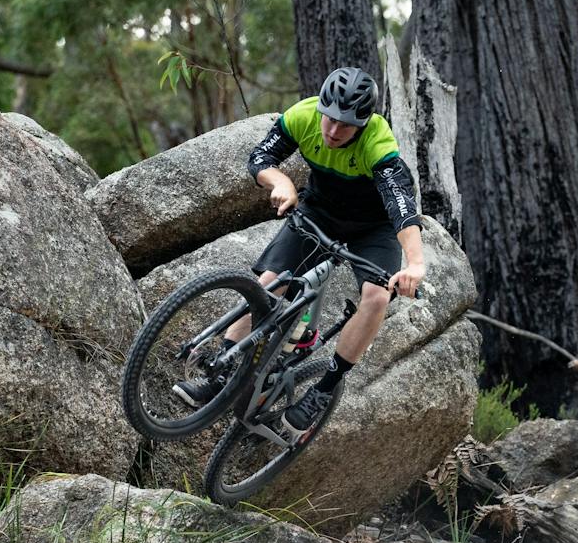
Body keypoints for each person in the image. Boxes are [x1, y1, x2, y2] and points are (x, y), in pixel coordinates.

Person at [173, 65, 427, 437]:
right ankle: (221, 373)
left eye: (346, 125)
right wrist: (282, 183)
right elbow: (260, 159)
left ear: (365, 122)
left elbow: (401, 206)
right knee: (268, 284)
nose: (334, 131)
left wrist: (415, 263)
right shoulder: (302, 116)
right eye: (330, 119)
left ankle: (324, 389)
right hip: (319, 211)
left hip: (372, 229)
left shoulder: (378, 143)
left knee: (376, 297)